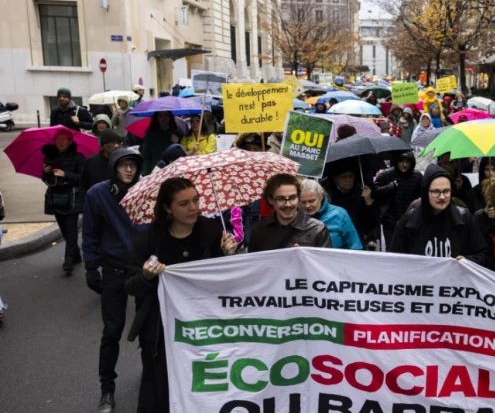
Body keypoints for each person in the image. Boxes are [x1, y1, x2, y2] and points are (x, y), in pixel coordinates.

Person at [126, 178, 238, 412]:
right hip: (161, 330)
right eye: (184, 204)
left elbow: (227, 282)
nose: (194, 208)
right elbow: (130, 286)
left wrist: (229, 257)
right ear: (167, 208)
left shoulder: (212, 230)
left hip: (205, 325)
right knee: (159, 389)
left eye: (196, 200)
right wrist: (146, 275)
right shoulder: (148, 238)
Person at [81, 149, 143, 413]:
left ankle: (152, 377)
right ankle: (107, 389)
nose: (129, 170)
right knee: (112, 332)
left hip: (143, 271)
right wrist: (91, 266)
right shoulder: (97, 194)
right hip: (114, 270)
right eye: (123, 165)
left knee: (150, 329)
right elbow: (91, 232)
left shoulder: (146, 190)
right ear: (114, 168)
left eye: (133, 165)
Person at [389, 164, 491, 266]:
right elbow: (394, 261)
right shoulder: (409, 222)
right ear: (425, 192)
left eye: (446, 191)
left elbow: (483, 255)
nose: (442, 197)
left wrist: (468, 260)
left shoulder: (464, 219)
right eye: (436, 192)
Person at [248, 174, 331, 252]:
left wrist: (304, 257)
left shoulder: (317, 229)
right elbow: (254, 264)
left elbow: (324, 264)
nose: (288, 204)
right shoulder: (259, 229)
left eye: (292, 198)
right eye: (281, 199)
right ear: (271, 200)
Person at [41, 129, 86, 272]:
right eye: (58, 139)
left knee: (71, 229)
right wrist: (46, 172)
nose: (60, 142)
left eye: (64, 139)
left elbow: (82, 178)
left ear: (70, 141)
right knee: (64, 230)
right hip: (56, 198)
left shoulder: (78, 157)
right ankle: (76, 254)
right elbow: (45, 180)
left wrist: (65, 174)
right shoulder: (49, 157)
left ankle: (68, 261)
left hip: (72, 198)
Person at [323, 164, 380, 247]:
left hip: (356, 241)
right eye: (343, 176)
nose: (348, 179)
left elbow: (373, 223)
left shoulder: (361, 194)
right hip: (334, 242)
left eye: (351, 176)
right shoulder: (327, 195)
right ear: (335, 179)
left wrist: (368, 201)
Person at [373, 151, 423, 246]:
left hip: (411, 222)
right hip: (391, 222)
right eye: (401, 161)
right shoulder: (387, 174)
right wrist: (390, 187)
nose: (404, 165)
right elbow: (375, 191)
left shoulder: (417, 176)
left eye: (407, 162)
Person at [300, 179, 362, 250]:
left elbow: (355, 246)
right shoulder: (296, 217)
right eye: (303, 202)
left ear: (321, 196)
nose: (307, 205)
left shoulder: (340, 214)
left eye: (311, 201)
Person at [79, 130, 122, 208]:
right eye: (112, 142)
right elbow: (84, 185)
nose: (116, 146)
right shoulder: (91, 161)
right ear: (104, 145)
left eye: (118, 143)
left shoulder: (121, 162)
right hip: (95, 203)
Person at [140, 111, 184, 176]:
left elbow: (183, 154)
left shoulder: (177, 132)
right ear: (156, 118)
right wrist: (145, 174)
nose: (163, 118)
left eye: (166, 115)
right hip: (155, 171)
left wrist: (178, 142)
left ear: (170, 117)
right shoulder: (151, 133)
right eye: (160, 115)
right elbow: (146, 155)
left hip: (173, 171)